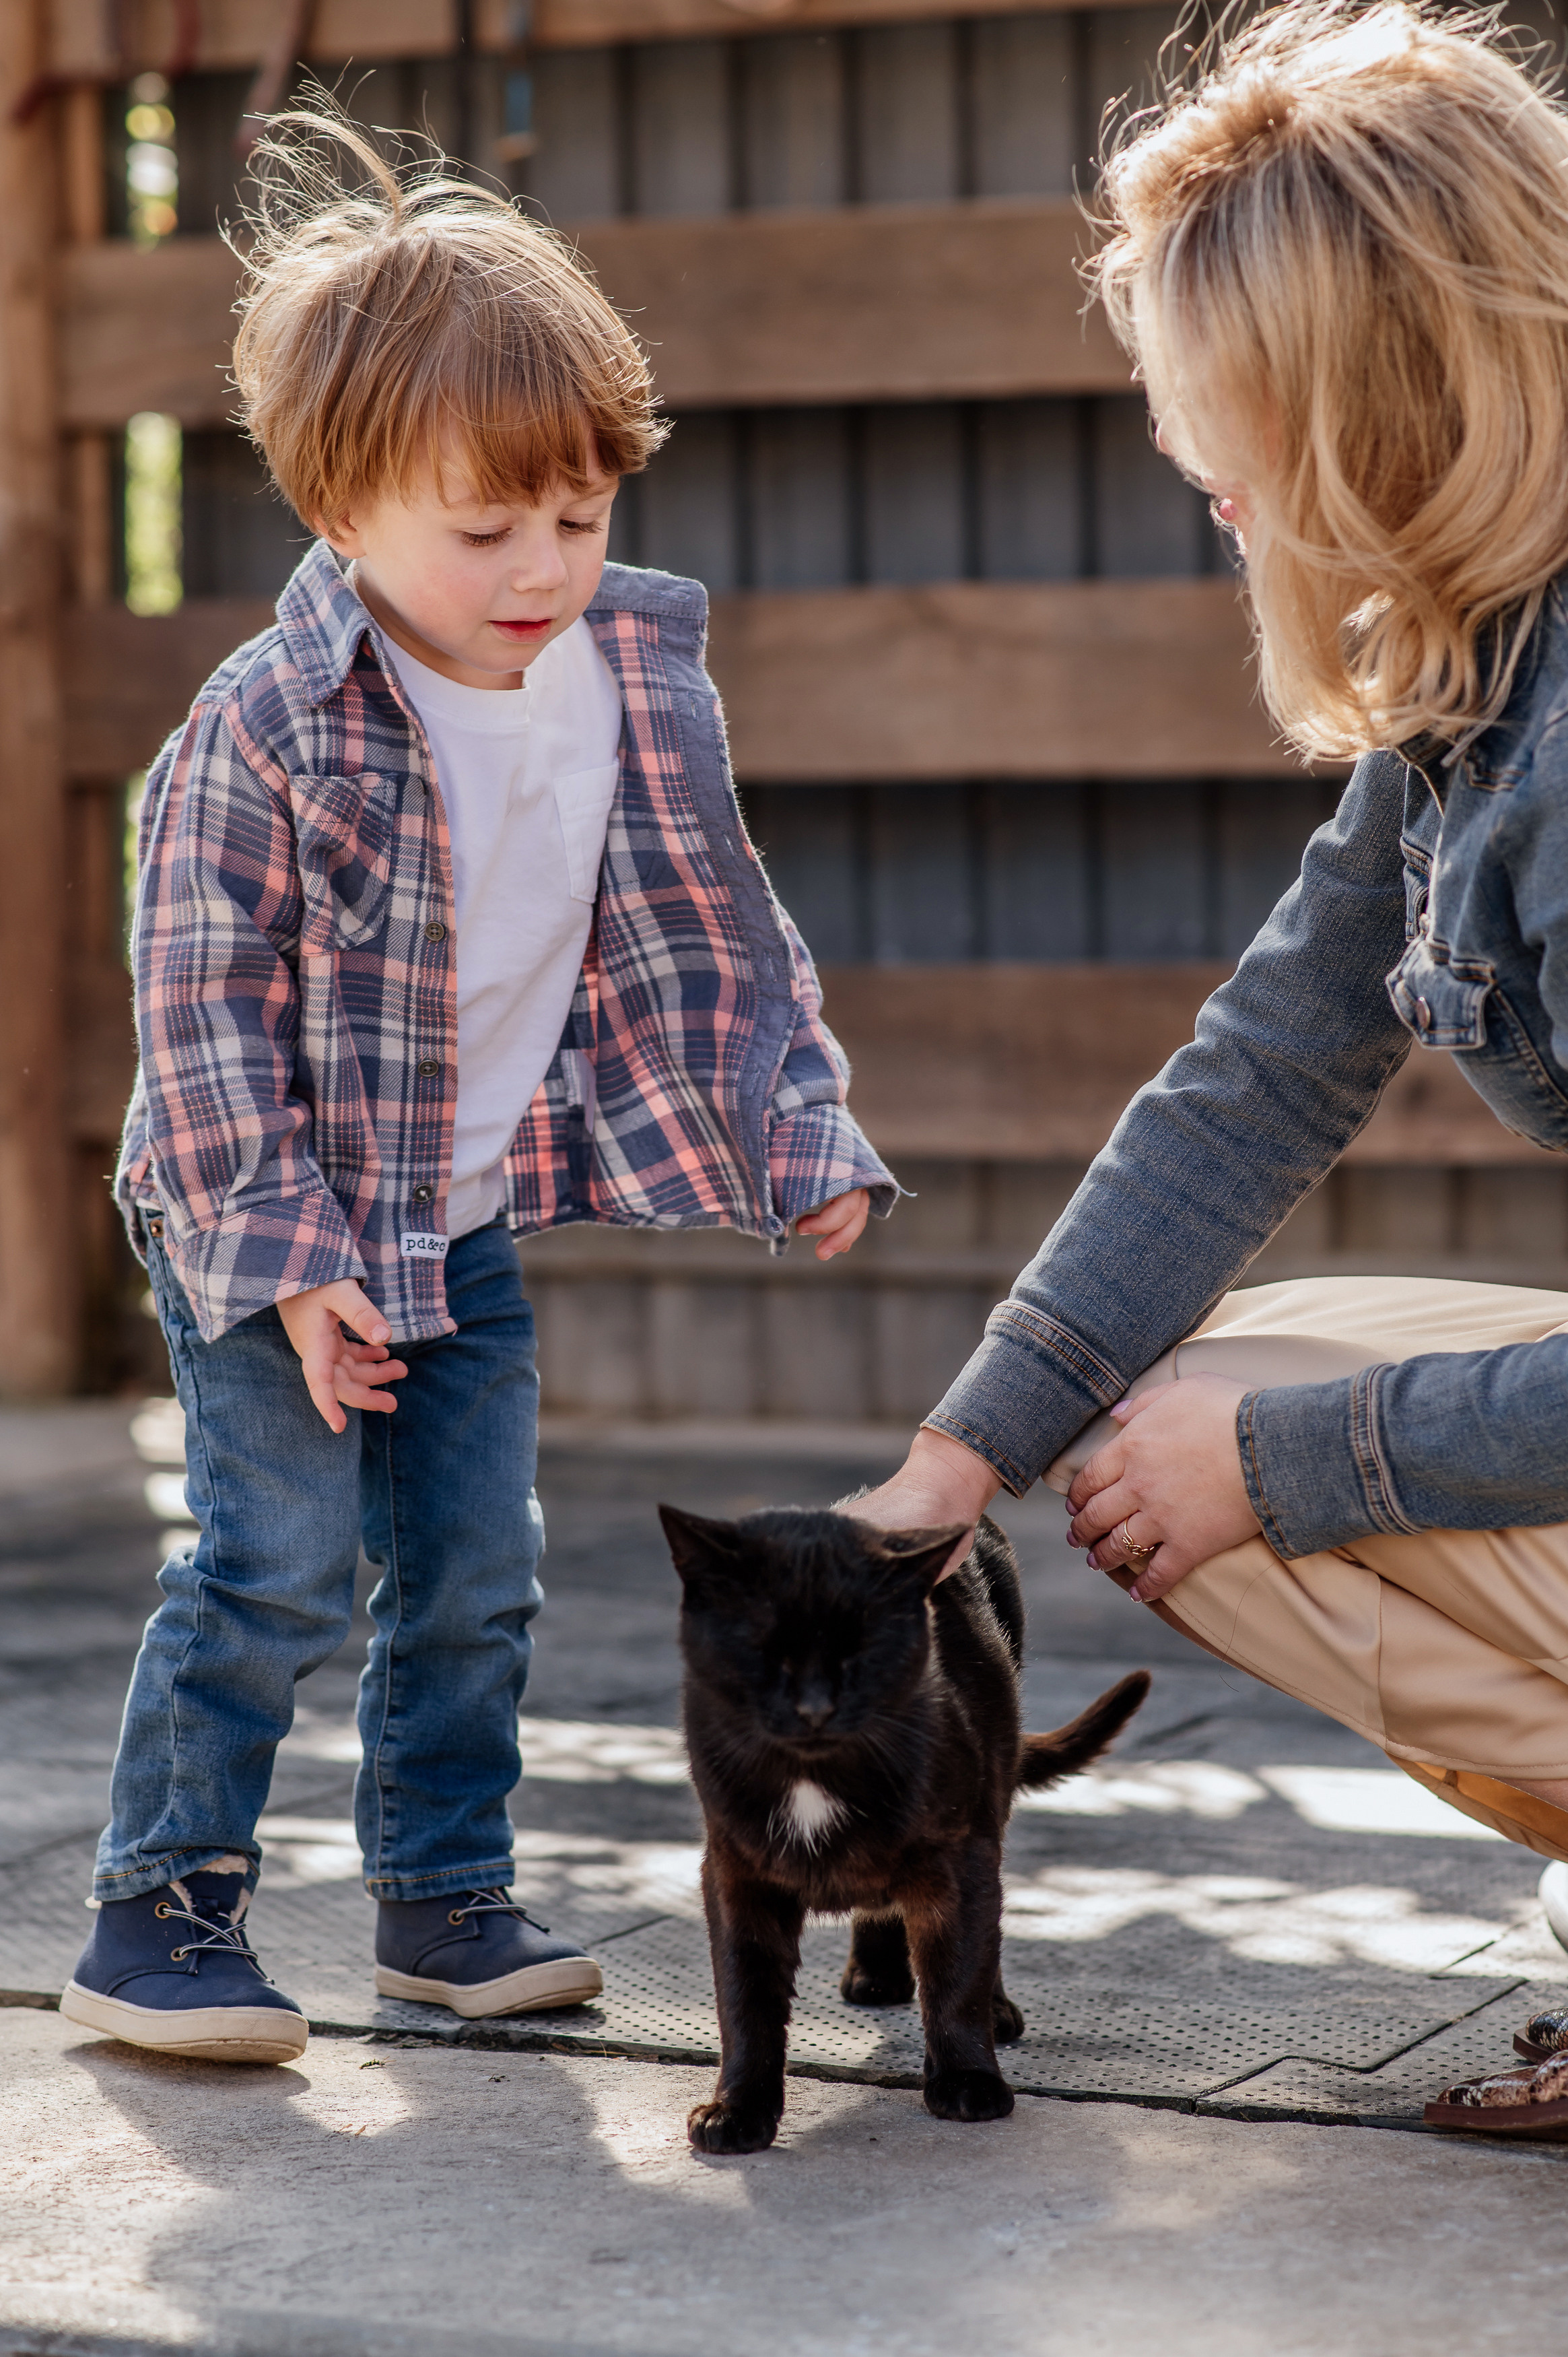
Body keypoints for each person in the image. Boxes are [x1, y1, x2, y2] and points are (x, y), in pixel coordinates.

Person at [63, 114, 894, 2066]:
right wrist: (278, 1260)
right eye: (485, 524)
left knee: (476, 1569)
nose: (545, 566)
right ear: (337, 508)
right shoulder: (263, 733)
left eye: (582, 513)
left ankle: (440, 1892)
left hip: (455, 1214)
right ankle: (157, 1910)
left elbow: (716, 931)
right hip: (254, 1206)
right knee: (268, 1564)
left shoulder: (625, 678)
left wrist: (794, 1123)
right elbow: (193, 1018)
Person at [855, 0, 1568, 2139]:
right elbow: (1259, 1070)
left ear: (1374, 408)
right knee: (1185, 1384)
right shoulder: (1483, 674)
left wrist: (1301, 1462)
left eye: (1217, 421)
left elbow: (1273, 1458)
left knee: (1246, 1457)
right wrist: (958, 1460)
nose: (1200, 475)